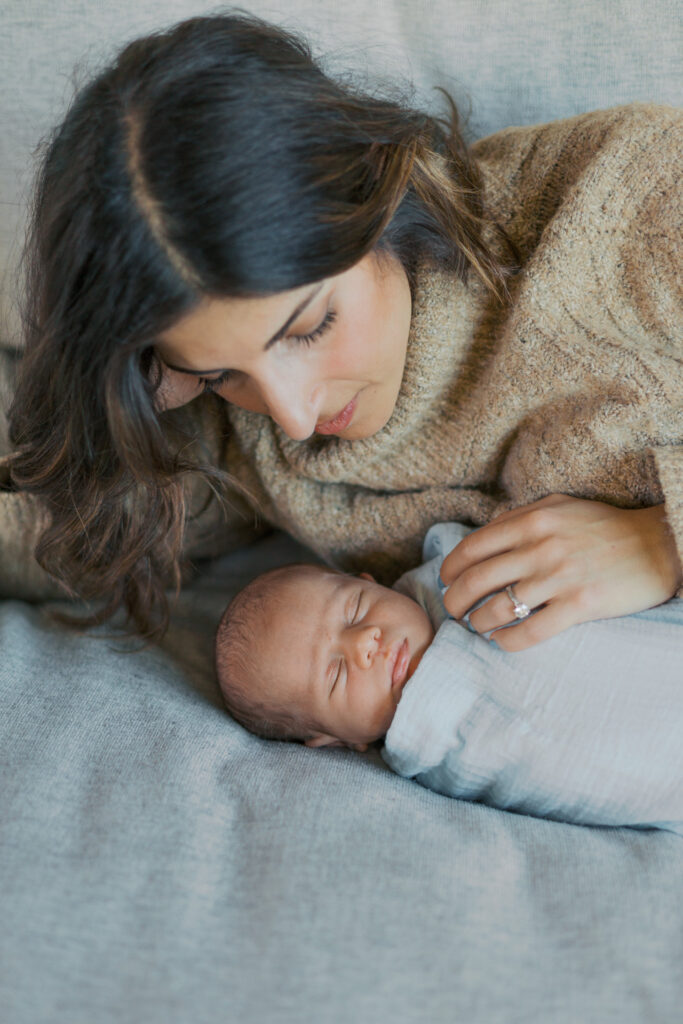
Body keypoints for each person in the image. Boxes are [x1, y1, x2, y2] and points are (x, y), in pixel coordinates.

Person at [3, 12, 682, 648]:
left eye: (309, 325)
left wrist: (661, 542)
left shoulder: (629, 197)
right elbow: (52, 531)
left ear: (367, 187)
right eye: (220, 373)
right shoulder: (246, 438)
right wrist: (105, 400)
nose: (293, 416)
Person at [214, 522, 683, 835]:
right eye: (336, 673)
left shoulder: (453, 569)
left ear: (370, 580)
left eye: (355, 608)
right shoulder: (432, 759)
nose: (364, 643)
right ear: (331, 739)